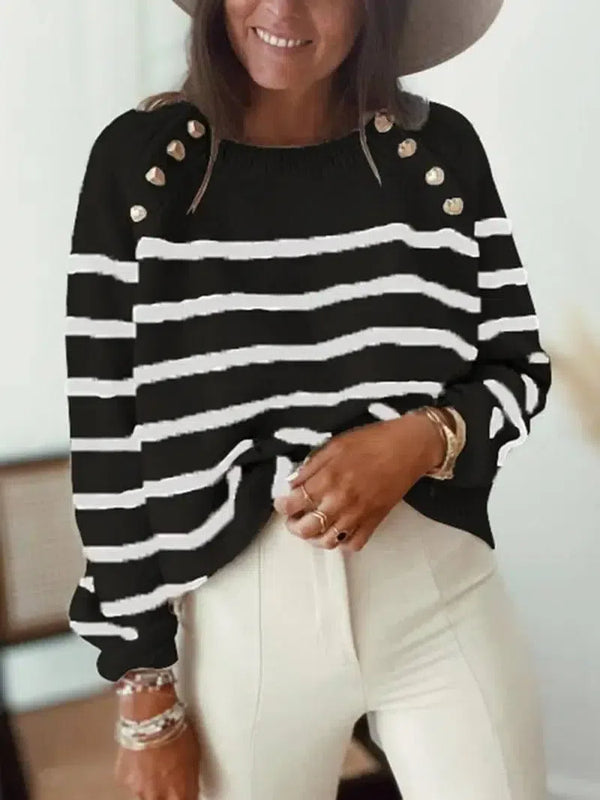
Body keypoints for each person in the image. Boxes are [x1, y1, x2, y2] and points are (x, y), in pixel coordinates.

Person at [64, 0, 553, 797]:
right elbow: (108, 441)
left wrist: (421, 439)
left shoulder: (439, 155)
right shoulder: (143, 167)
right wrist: (143, 687)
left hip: (441, 598)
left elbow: (519, 371)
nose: (281, 9)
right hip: (245, 631)